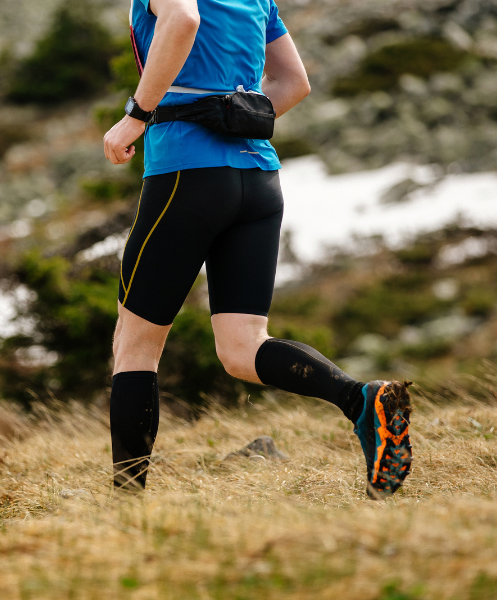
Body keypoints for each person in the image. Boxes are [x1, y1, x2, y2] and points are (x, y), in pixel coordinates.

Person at [103, 0, 412, 498]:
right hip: (258, 182)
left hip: (186, 175)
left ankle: (125, 501)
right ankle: (362, 399)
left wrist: (137, 115)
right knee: (243, 348)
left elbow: (183, 19)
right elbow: (294, 83)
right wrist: (234, 114)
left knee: (135, 344)